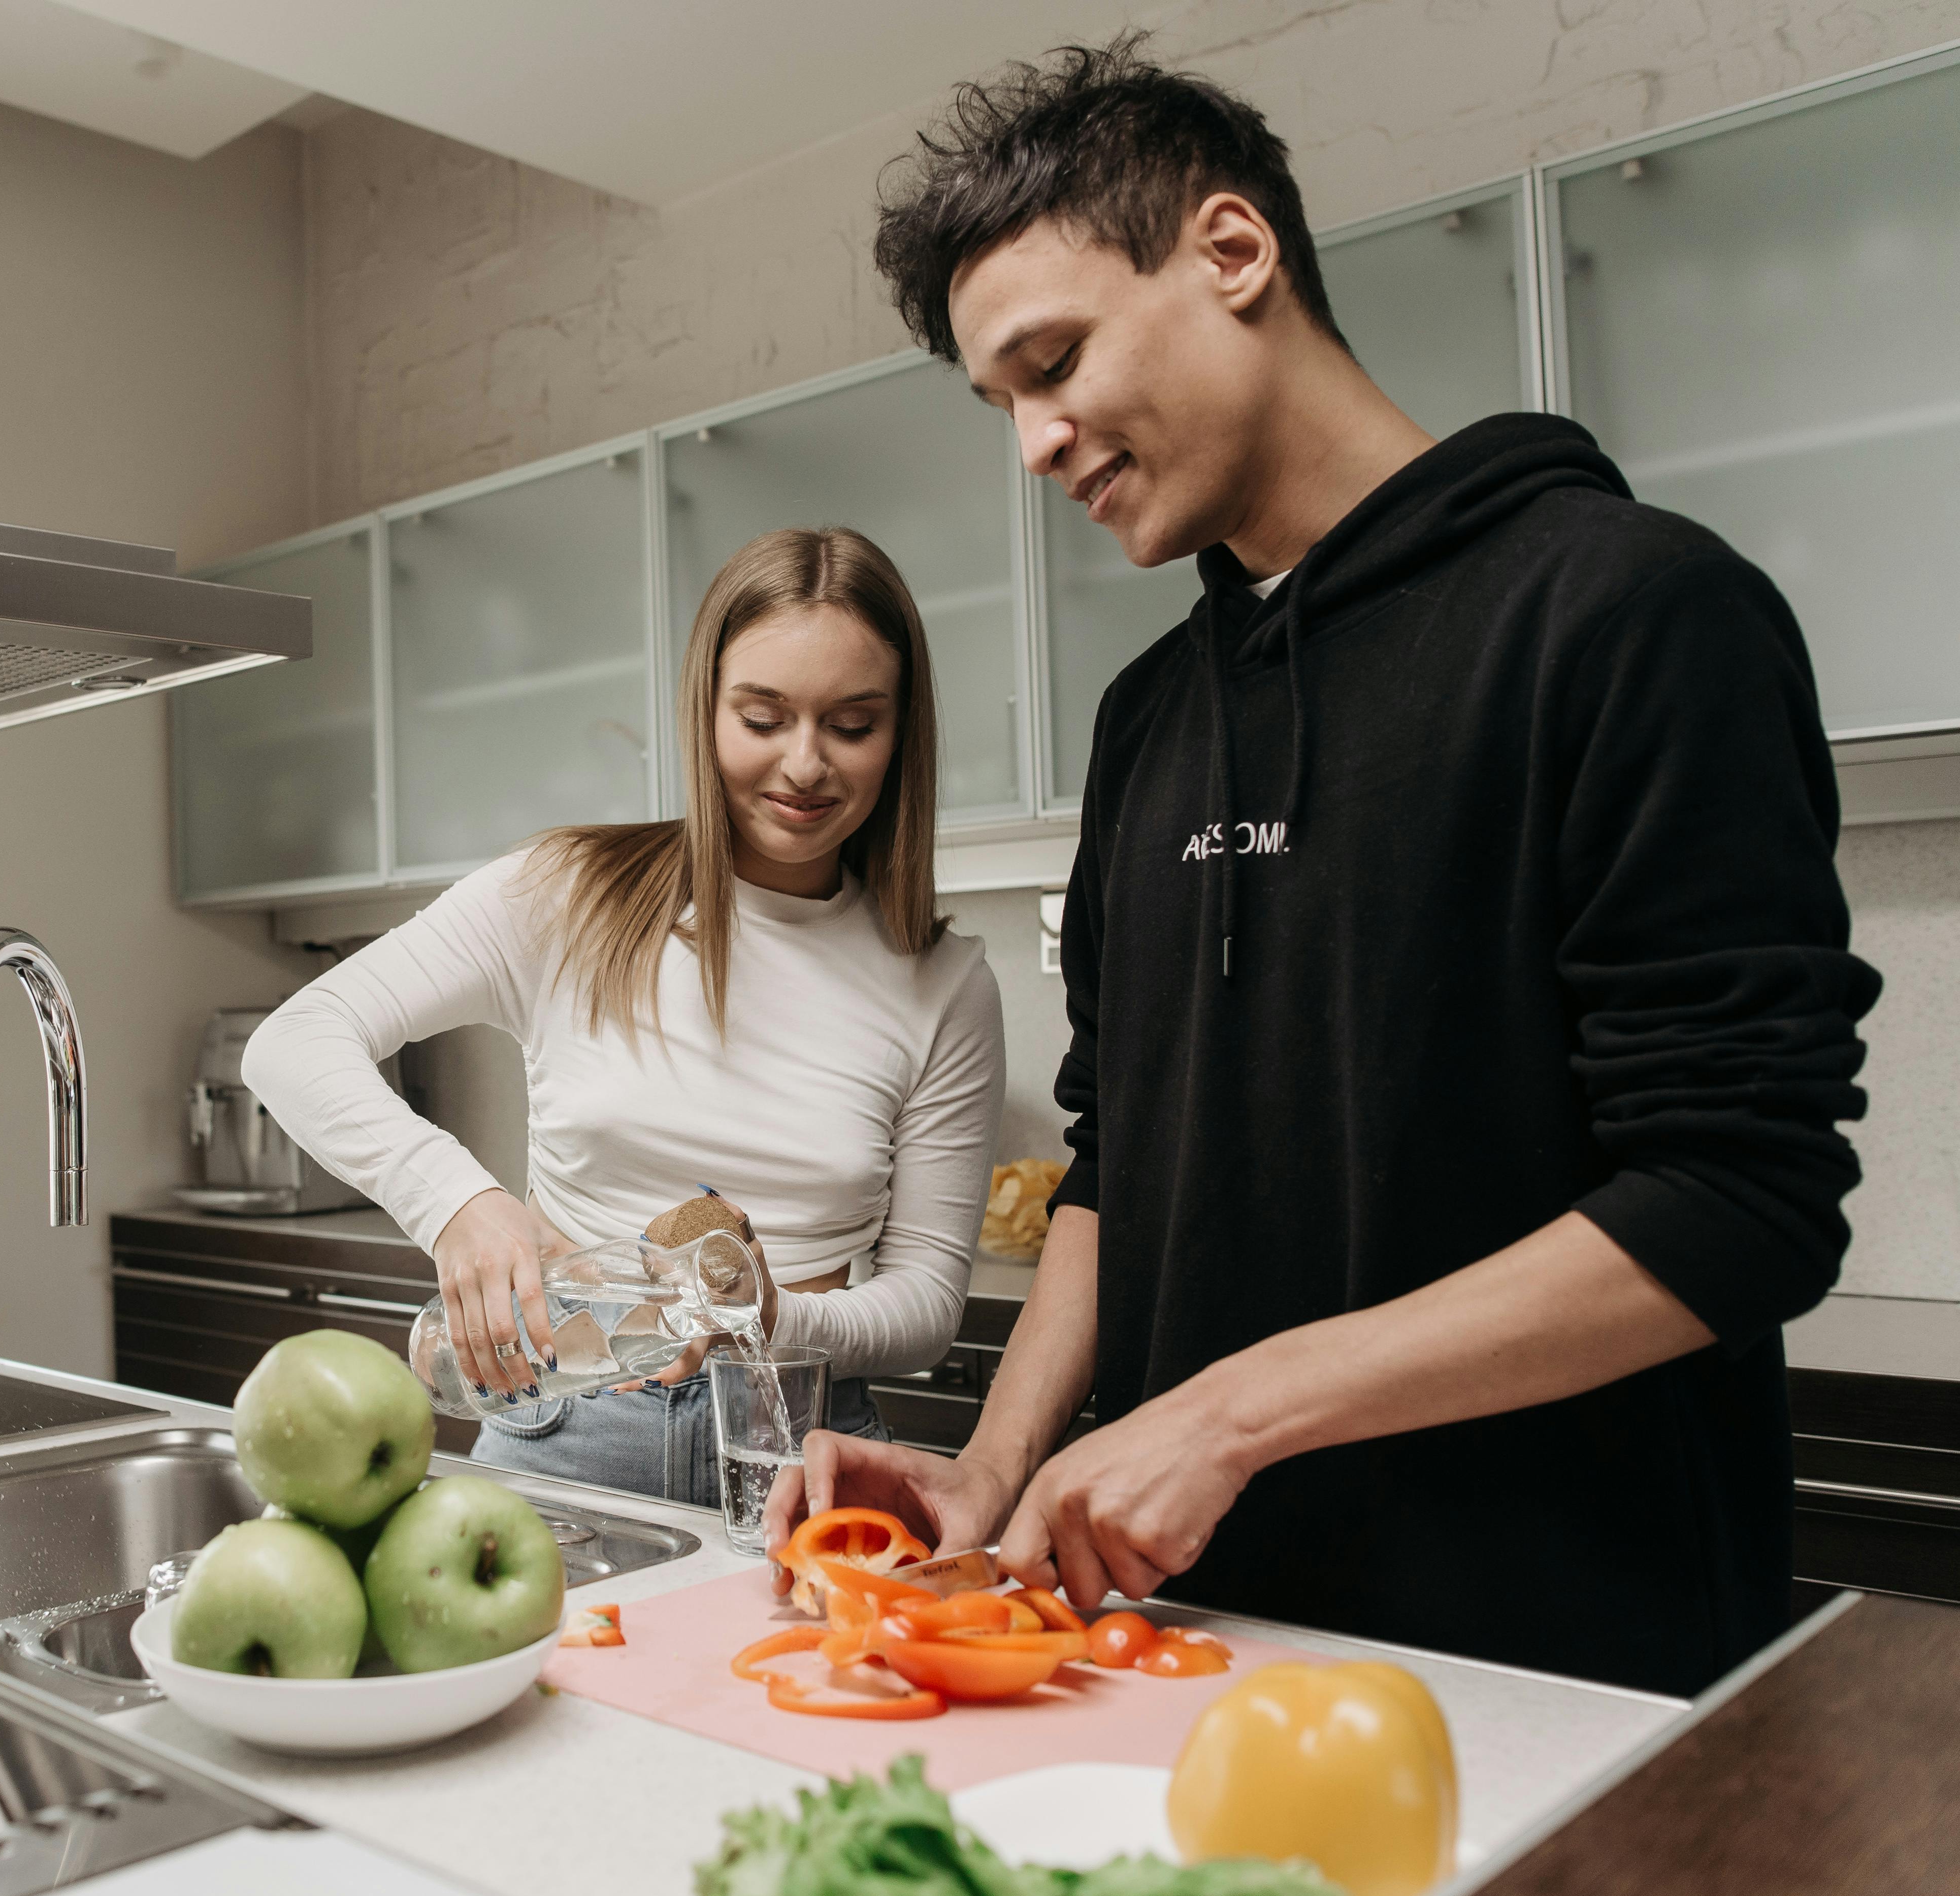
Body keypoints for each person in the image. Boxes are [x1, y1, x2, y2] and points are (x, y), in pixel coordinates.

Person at [767, 37, 1881, 1697]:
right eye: (1003, 400)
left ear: (1230, 253)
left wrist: (1224, 1410)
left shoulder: (1629, 613)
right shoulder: (1148, 717)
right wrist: (986, 1475)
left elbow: (1738, 1203)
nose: (1033, 444)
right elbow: (1109, 1168)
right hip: (1182, 1656)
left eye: (1052, 361)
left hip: (1555, 1671)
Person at [245, 527, 1002, 1505]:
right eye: (762, 717)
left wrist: (773, 1319)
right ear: (705, 709)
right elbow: (295, 1042)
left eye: (852, 725)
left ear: (902, 733)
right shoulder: (571, 894)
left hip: (798, 1449)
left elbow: (929, 1305)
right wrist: (458, 1204)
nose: (805, 764)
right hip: (563, 1423)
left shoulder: (942, 983)